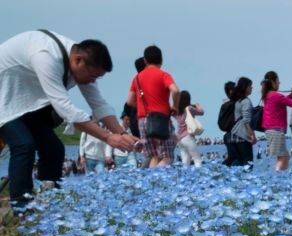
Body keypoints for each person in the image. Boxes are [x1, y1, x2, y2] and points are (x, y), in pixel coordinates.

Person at [0, 30, 136, 209]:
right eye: (92, 76)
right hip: (4, 100)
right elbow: (65, 109)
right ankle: (21, 208)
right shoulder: (46, 56)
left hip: (24, 103)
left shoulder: (80, 61)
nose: (91, 81)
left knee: (54, 149)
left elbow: (98, 104)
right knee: (24, 145)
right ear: (78, 60)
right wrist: (108, 137)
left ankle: (49, 201)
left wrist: (121, 133)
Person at [125, 45, 180, 168]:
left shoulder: (137, 78)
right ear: (161, 60)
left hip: (143, 121)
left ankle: (152, 184)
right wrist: (174, 106)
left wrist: (141, 106)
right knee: (167, 157)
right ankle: (159, 179)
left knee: (153, 156)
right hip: (161, 120)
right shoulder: (163, 75)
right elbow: (176, 91)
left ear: (145, 60)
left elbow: (129, 101)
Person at [260, 71, 292, 172]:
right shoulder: (275, 95)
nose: (279, 83)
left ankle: (280, 176)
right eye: (278, 81)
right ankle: (277, 177)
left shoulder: (269, 95)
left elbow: (284, 101)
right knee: (284, 157)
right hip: (275, 130)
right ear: (273, 82)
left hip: (271, 129)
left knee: (283, 156)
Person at [226, 77, 256, 167]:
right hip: (243, 136)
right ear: (245, 87)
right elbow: (246, 120)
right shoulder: (246, 101)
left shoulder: (237, 101)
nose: (252, 88)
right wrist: (252, 135)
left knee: (238, 164)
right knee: (248, 163)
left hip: (233, 134)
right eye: (250, 86)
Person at [173, 90, 204, 167]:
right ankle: (199, 176)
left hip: (179, 139)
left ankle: (186, 177)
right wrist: (198, 106)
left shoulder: (176, 111)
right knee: (197, 159)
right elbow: (202, 112)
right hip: (187, 137)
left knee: (185, 161)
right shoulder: (189, 108)